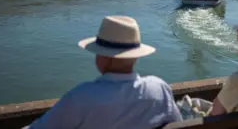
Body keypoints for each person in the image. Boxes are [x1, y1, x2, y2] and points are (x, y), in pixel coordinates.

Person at [26, 16, 182, 129]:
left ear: (104, 58)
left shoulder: (80, 97)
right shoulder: (159, 89)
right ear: (135, 57)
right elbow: (179, 123)